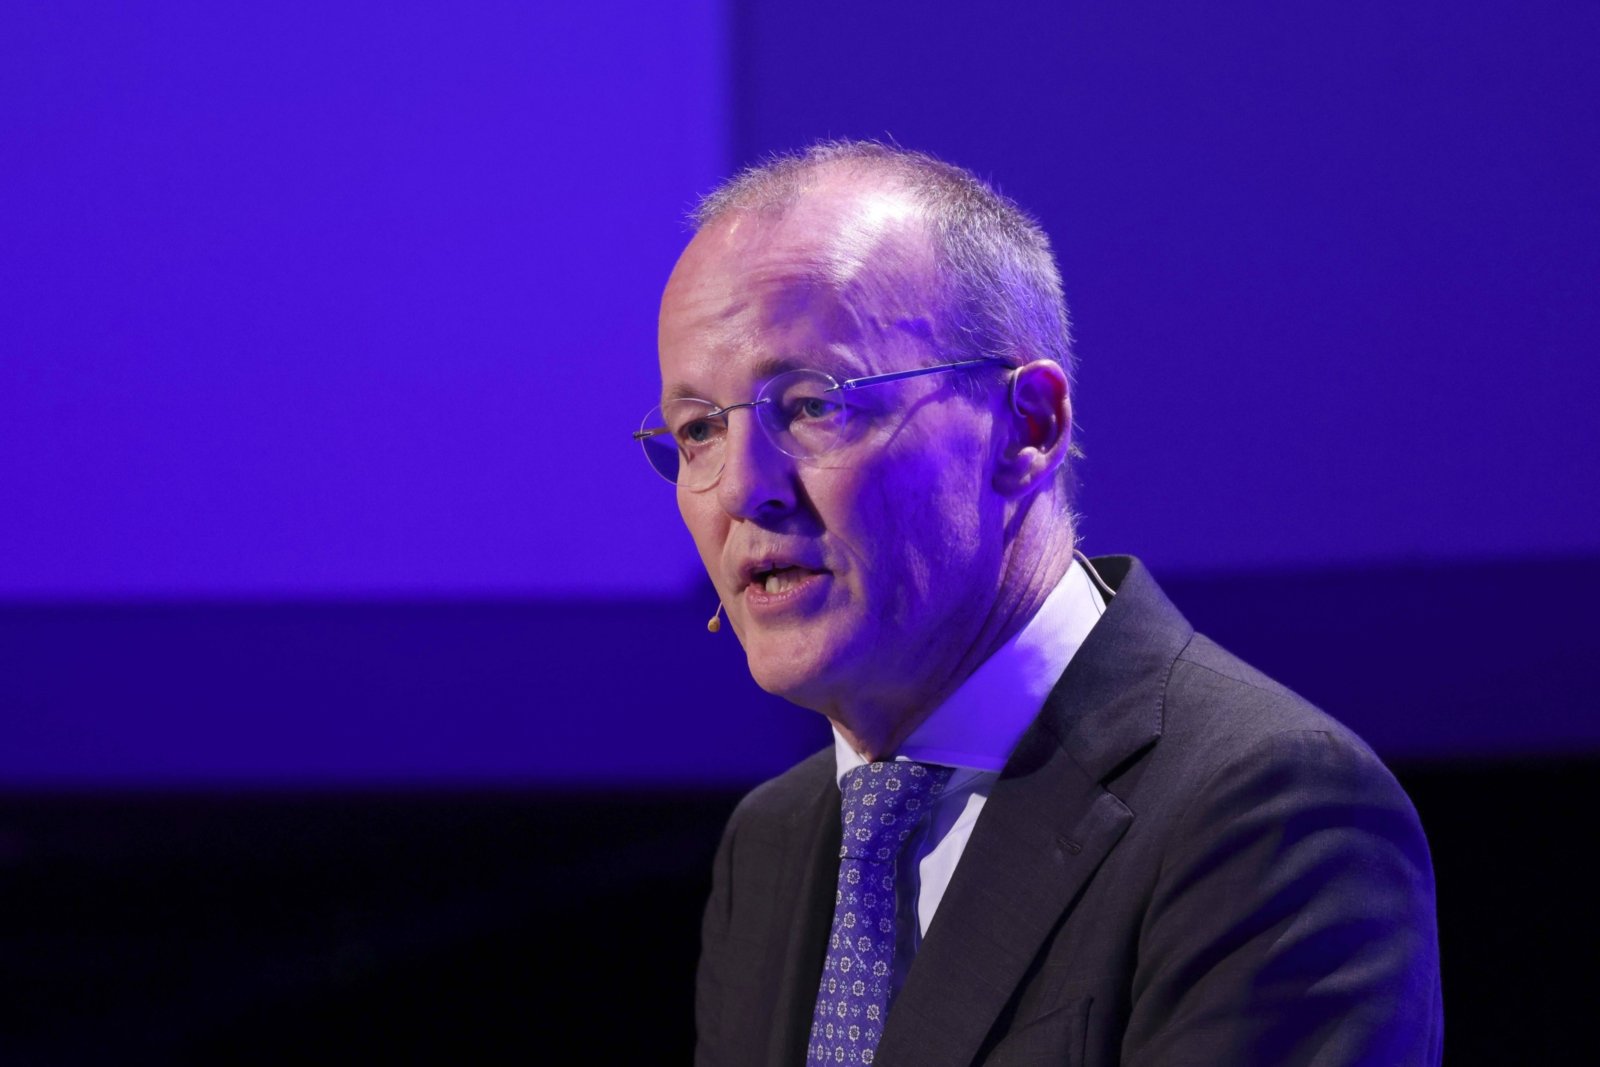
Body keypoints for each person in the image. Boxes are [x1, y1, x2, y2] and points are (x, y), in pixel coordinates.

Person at [637, 141, 1443, 1066]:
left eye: (813, 405)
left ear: (1028, 427)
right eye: (698, 429)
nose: (745, 488)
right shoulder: (771, 844)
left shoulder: (1265, 812)